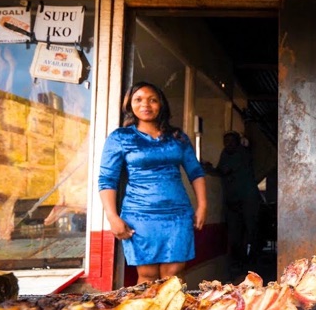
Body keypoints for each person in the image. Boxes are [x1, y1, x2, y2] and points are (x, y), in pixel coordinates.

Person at [98, 81, 207, 285]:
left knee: (174, 275)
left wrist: (202, 205)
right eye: (138, 100)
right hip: (139, 216)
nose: (145, 105)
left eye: (152, 100)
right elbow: (107, 179)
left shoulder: (178, 137)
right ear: (129, 104)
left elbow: (195, 172)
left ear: (161, 104)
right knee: (147, 276)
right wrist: (112, 216)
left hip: (177, 215)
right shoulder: (120, 137)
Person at [215, 131, 261, 272]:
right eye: (225, 141)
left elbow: (224, 171)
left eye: (231, 141)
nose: (228, 144)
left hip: (248, 199)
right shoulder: (225, 153)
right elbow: (221, 170)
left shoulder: (242, 153)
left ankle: (252, 262)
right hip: (232, 201)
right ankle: (238, 263)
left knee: (250, 230)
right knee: (235, 232)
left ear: (237, 142)